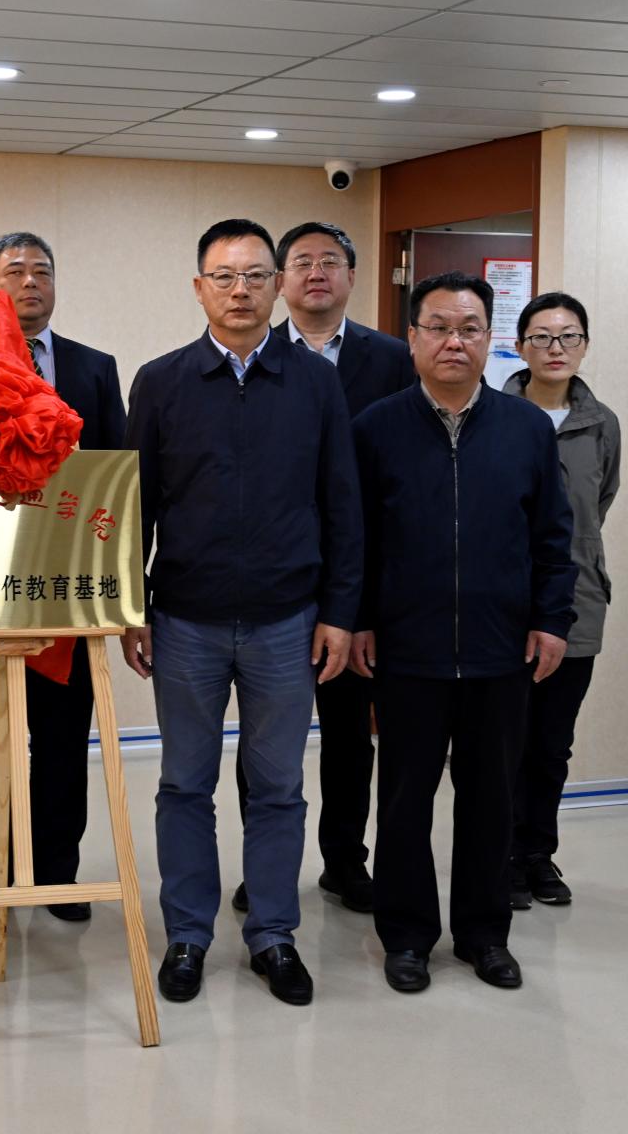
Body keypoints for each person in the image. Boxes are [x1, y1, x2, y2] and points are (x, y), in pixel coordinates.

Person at [121, 218, 361, 1008]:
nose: (241, 291)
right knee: (185, 784)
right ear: (200, 288)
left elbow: (342, 505)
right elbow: (133, 507)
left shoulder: (316, 383)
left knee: (279, 787)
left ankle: (273, 936)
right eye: (223, 277)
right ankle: (188, 935)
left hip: (286, 622)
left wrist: (339, 612)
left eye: (257, 276)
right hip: (184, 621)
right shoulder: (161, 382)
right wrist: (131, 606)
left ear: (278, 286)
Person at [351, 271, 576, 995]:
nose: (455, 341)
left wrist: (551, 619)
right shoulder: (375, 428)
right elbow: (355, 540)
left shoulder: (526, 429)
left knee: (491, 799)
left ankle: (484, 935)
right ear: (412, 338)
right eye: (439, 328)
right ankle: (407, 936)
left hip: (500, 648)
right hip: (406, 651)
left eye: (470, 328)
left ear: (490, 340)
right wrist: (359, 620)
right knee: (404, 801)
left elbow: (554, 535)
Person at [0, 231, 126, 924]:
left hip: (66, 589)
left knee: (64, 738)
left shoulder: (95, 368)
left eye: (43, 271)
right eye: (15, 272)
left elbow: (117, 477)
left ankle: (58, 873)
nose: (31, 283)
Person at [229, 221, 414, 918]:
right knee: (262, 742)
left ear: (352, 277)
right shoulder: (252, 354)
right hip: (272, 585)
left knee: (347, 736)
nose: (315, 273)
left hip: (353, 585)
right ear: (280, 281)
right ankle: (262, 868)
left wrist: (363, 603)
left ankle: (344, 861)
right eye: (301, 262)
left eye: (329, 262)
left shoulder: (393, 360)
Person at [503, 291, 621, 909]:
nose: (556, 348)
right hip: (505, 604)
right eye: (542, 337)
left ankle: (536, 853)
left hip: (576, 600)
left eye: (569, 336)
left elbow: (597, 505)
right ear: (519, 346)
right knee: (504, 742)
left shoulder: (601, 424)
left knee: (552, 744)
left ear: (585, 346)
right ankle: (499, 856)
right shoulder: (494, 414)